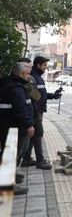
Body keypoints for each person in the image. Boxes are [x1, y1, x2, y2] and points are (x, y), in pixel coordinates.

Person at [0, 62, 35, 195]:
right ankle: (8, 186)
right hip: (14, 126)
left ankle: (10, 178)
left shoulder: (7, 83)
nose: (29, 76)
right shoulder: (16, 88)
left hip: (6, 125)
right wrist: (29, 125)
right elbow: (21, 109)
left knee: (8, 153)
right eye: (27, 73)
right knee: (11, 155)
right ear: (20, 73)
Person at [24, 56, 61, 170]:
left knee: (33, 135)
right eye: (44, 65)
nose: (46, 68)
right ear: (38, 65)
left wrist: (52, 95)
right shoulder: (32, 77)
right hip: (35, 110)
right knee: (38, 133)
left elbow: (40, 94)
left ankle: (26, 159)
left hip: (37, 109)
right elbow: (34, 96)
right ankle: (40, 161)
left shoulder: (37, 77)